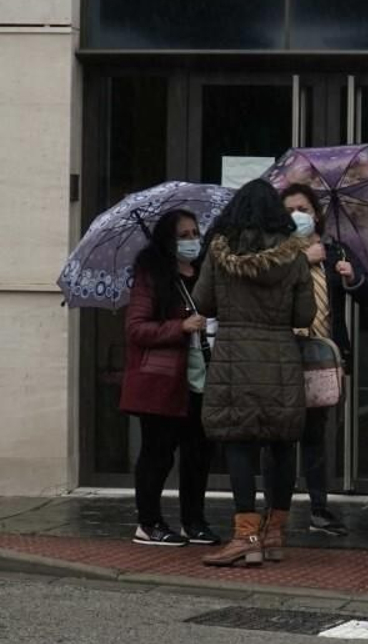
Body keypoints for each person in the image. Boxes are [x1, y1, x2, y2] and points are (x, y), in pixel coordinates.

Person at [192, 180, 314, 568]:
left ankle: (245, 537)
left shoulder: (219, 252)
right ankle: (274, 533)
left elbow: (204, 303)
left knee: (239, 443)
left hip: (233, 360)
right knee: (282, 442)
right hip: (280, 358)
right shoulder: (294, 256)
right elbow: (305, 315)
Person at [265, 183, 368, 537]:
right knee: (280, 437)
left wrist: (352, 277)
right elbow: (265, 293)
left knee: (316, 434)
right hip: (285, 355)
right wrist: (302, 260)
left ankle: (319, 507)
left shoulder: (336, 250)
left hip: (324, 355)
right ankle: (276, 511)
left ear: (316, 213)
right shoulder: (275, 253)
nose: (297, 216)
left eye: (303, 208)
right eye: (289, 211)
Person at [120, 208, 217, 547]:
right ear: (167, 239)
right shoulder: (152, 275)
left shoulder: (203, 271)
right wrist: (181, 327)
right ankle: (148, 522)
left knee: (198, 454)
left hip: (201, 378)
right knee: (158, 454)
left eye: (195, 233)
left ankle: (194, 520)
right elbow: (137, 329)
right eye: (184, 235)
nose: (192, 241)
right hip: (163, 383)